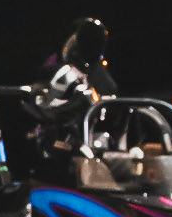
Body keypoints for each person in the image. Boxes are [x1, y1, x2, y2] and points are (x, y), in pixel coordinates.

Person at [26, 17, 117, 145]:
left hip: (88, 136)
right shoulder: (62, 71)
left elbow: (109, 99)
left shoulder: (99, 74)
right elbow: (46, 105)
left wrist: (94, 100)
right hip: (59, 137)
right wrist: (77, 100)